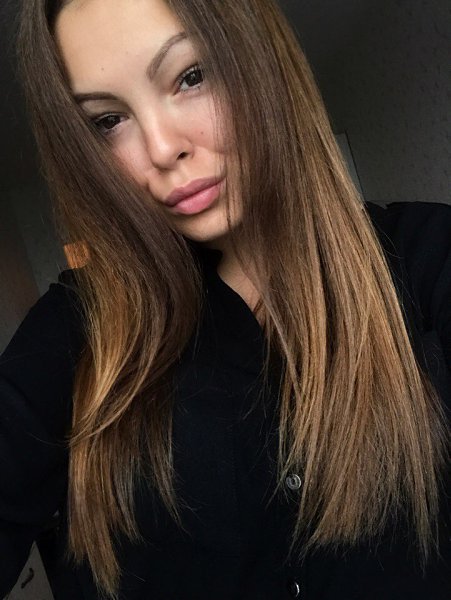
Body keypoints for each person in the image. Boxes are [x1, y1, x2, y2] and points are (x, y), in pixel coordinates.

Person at [1, 0, 449, 598]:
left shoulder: (427, 255)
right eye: (109, 121)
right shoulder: (78, 327)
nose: (161, 148)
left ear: (261, 61)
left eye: (191, 76)